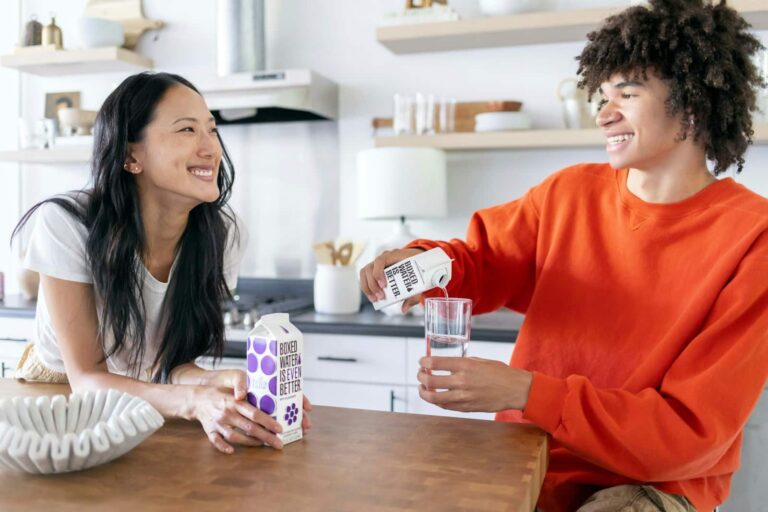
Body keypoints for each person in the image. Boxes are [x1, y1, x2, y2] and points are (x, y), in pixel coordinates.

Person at [360, 1, 768, 510]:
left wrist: (527, 392)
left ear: (692, 105)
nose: (604, 113)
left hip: (645, 487)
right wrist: (419, 263)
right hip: (526, 461)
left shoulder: (754, 238)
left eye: (628, 93)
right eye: (603, 94)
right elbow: (483, 261)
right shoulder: (568, 194)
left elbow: (687, 433)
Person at [12, 72, 310, 454]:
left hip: (145, 403)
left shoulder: (223, 234)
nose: (210, 149)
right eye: (187, 130)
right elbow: (86, 378)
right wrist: (194, 401)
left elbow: (169, 364)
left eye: (212, 129)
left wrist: (223, 385)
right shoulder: (68, 224)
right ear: (130, 155)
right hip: (53, 402)